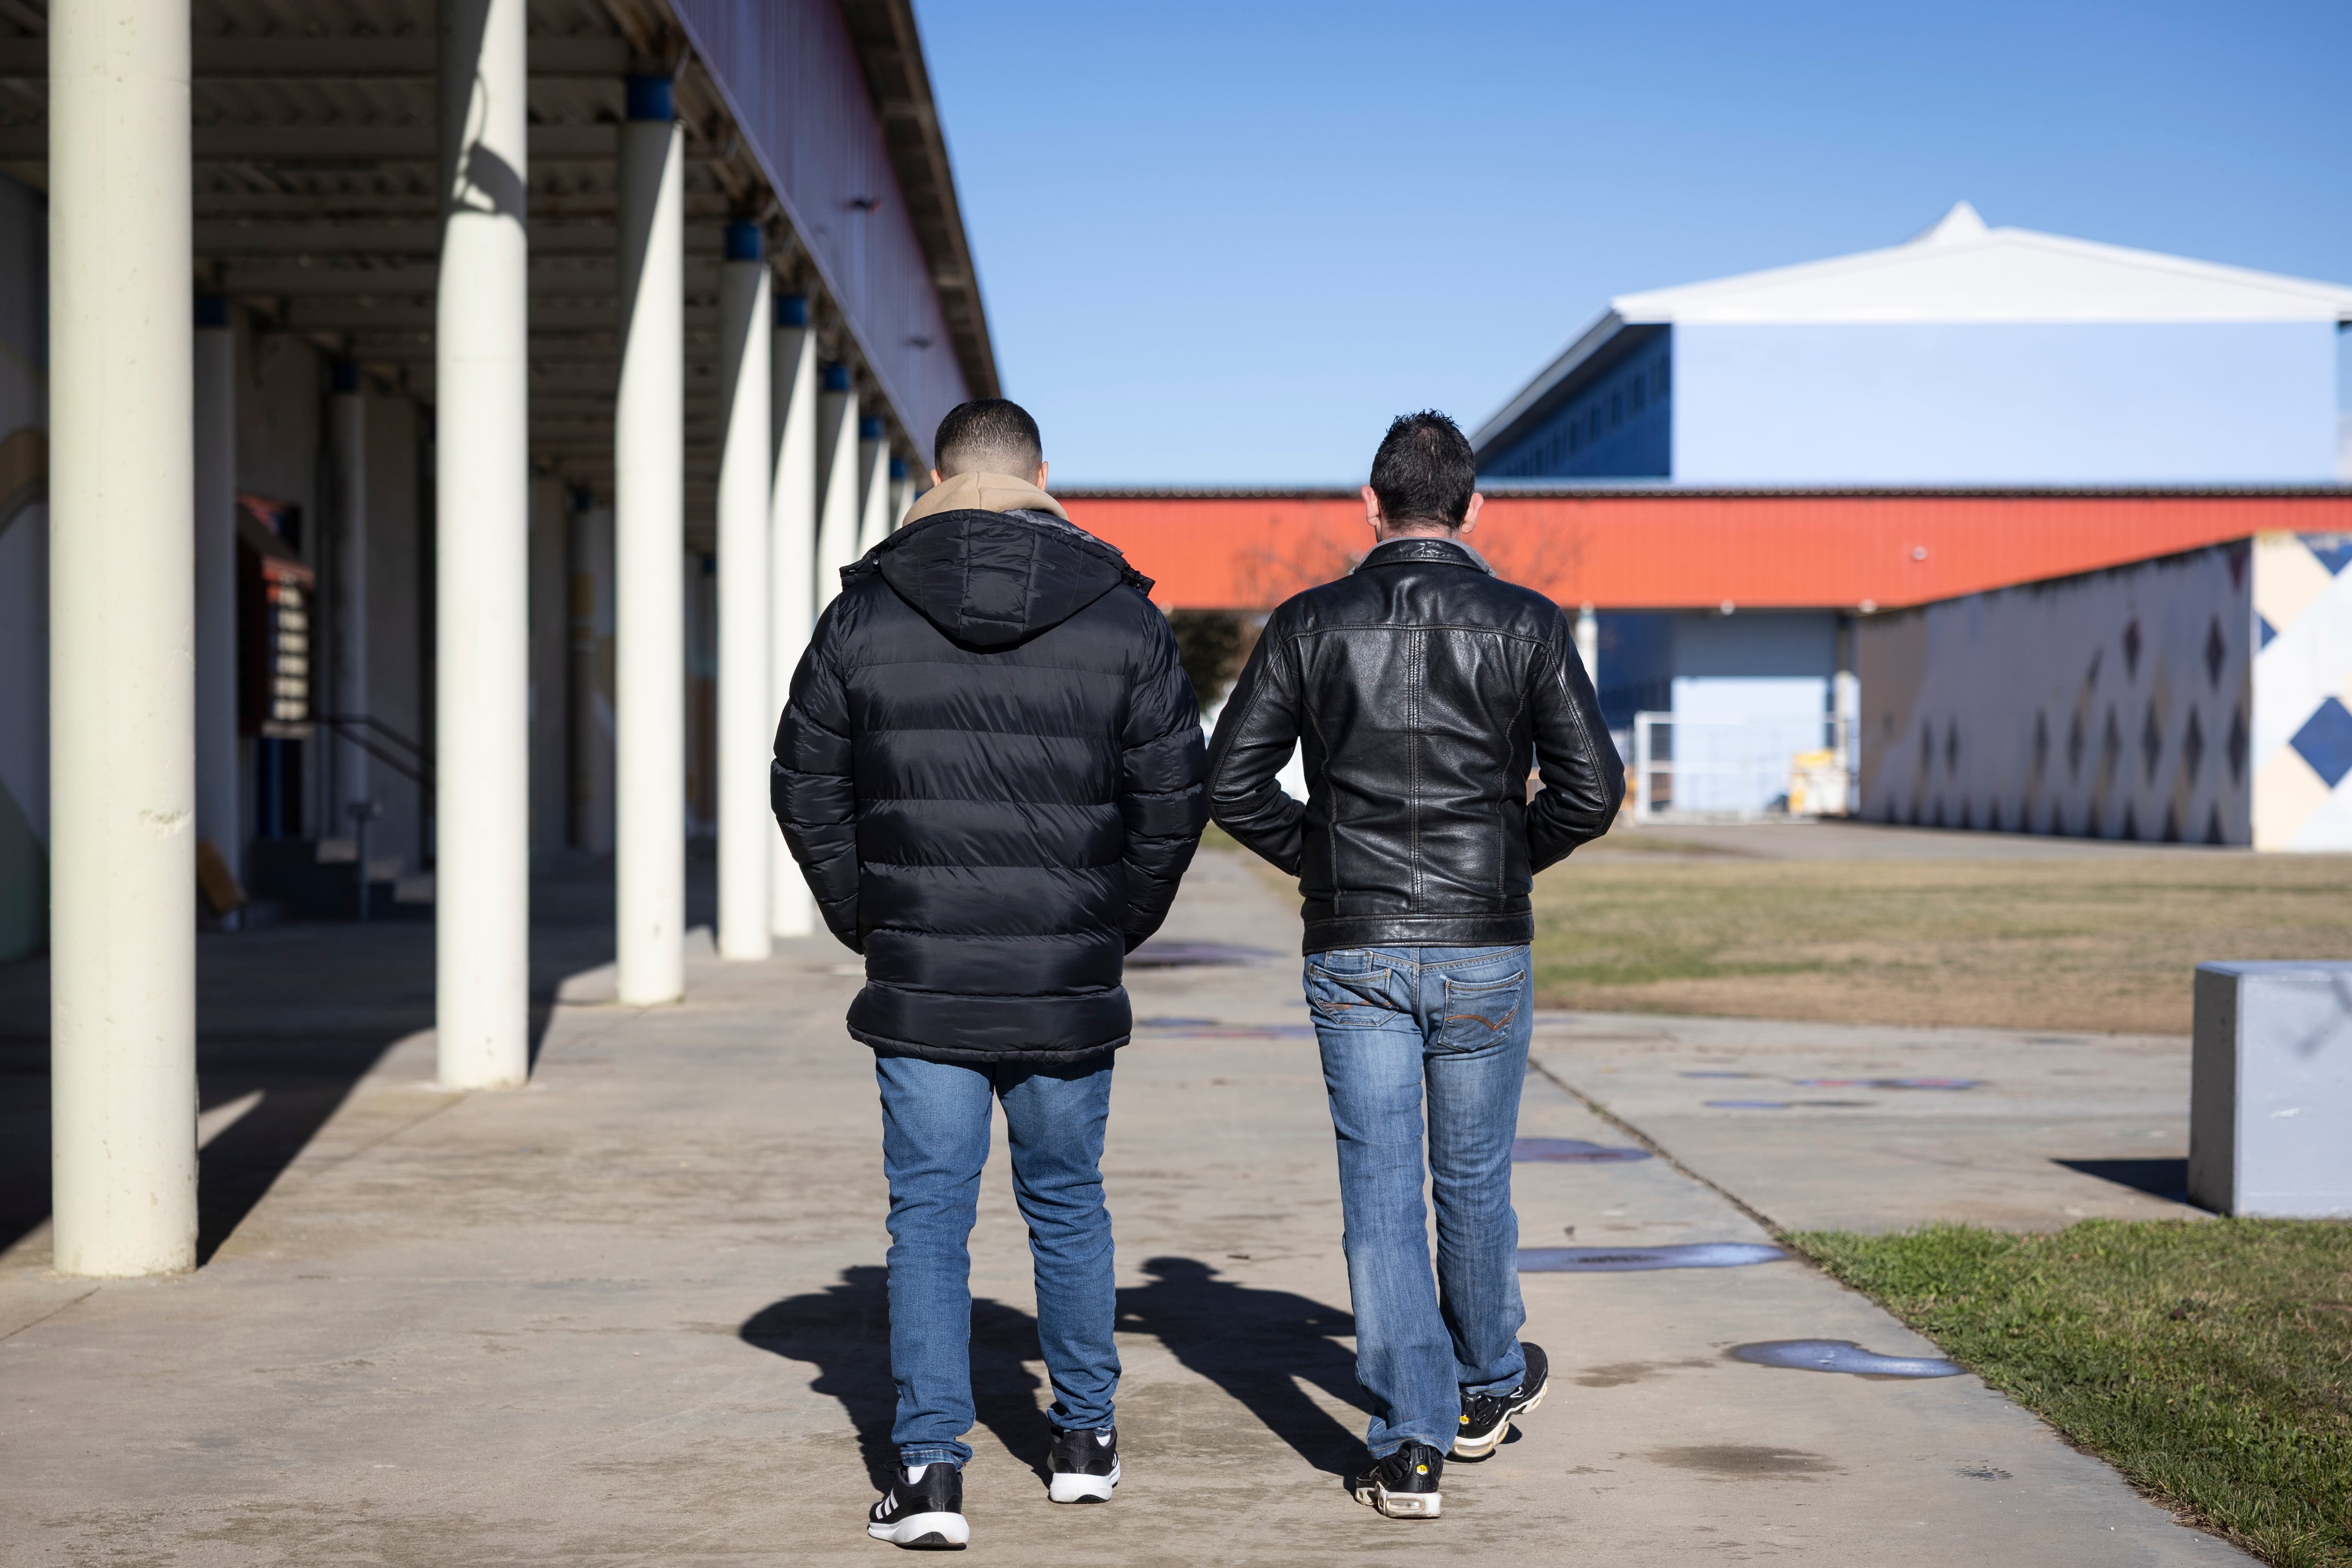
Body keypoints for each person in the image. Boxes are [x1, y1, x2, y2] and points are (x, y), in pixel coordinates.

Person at [773, 398, 1207, 1548]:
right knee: (1067, 1204)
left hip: (922, 974)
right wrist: (1111, 924)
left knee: (929, 1219)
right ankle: (1083, 1439)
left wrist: (874, 916)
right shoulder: (1123, 617)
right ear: (1043, 476)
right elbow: (1175, 799)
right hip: (1065, 969)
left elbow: (802, 781)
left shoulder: (863, 611)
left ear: (933, 474)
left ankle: (928, 1473)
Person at [1204, 410, 1623, 1520]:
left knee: (1380, 1192)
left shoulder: (1308, 620)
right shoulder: (1526, 620)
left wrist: (1332, 868)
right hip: (1482, 942)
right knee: (1473, 1179)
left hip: (1356, 947)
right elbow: (1593, 790)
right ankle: (1485, 1387)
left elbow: (1231, 782)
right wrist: (1500, 865)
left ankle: (1410, 1446)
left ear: (1369, 503)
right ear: (1474, 509)